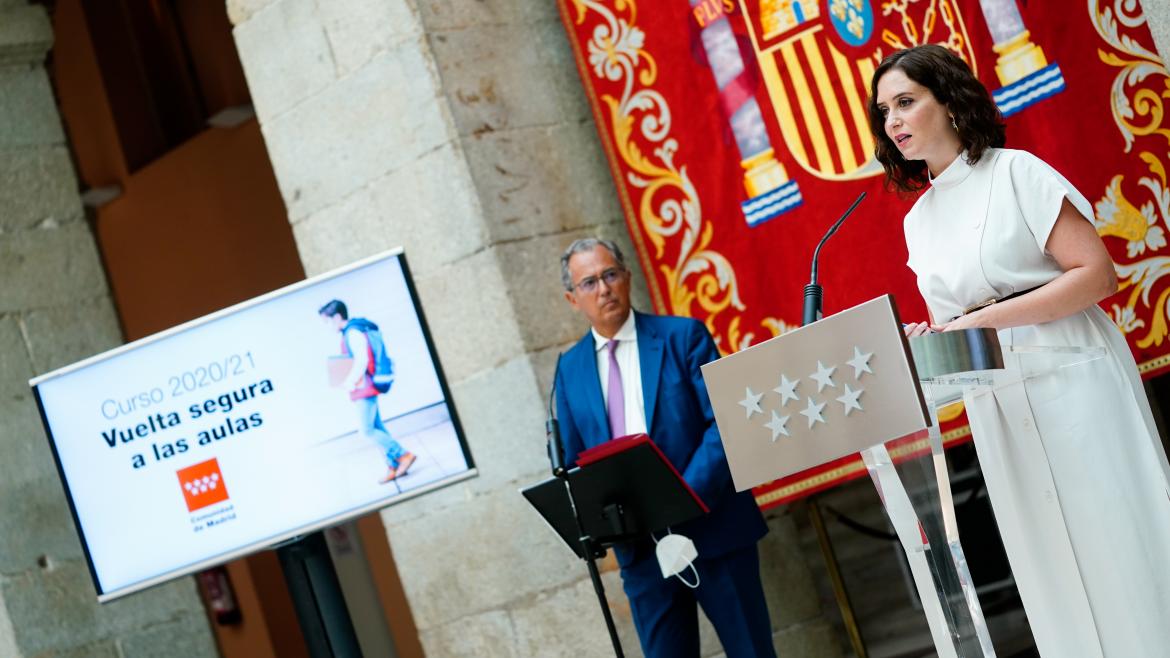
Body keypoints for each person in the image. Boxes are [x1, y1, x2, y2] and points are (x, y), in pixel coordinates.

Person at [869, 44, 1170, 656]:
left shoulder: (1017, 172)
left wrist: (977, 322)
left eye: (905, 102)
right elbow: (953, 327)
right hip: (996, 401)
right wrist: (930, 343)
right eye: (883, 112)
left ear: (950, 101)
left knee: (1112, 531)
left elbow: (1097, 276)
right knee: (1048, 553)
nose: (892, 122)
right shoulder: (916, 220)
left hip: (1071, 372)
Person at [554, 237, 775, 658]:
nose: (603, 289)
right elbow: (574, 463)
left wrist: (680, 498)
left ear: (627, 277)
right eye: (589, 283)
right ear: (572, 298)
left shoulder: (682, 336)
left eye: (610, 275)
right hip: (640, 553)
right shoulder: (569, 370)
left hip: (715, 530)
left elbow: (723, 424)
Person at [319, 299, 415, 484]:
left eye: (327, 321)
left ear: (337, 317)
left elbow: (361, 361)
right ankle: (393, 465)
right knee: (377, 428)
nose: (327, 326)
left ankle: (403, 455)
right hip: (362, 386)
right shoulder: (351, 332)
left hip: (364, 387)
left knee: (366, 430)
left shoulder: (353, 332)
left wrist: (349, 382)